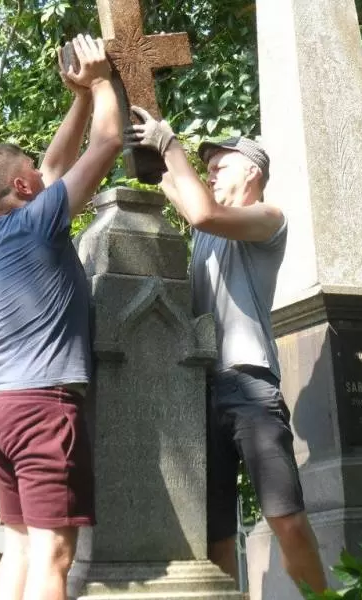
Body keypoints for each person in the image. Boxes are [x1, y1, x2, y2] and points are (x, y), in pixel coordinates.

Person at [124, 108, 327, 594]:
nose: (210, 171)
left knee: (286, 519)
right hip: (200, 390)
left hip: (249, 386)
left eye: (221, 164)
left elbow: (202, 212)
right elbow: (174, 186)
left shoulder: (268, 218)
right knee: (214, 534)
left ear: (252, 171)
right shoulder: (205, 230)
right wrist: (142, 141)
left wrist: (171, 142)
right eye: (207, 167)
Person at [0, 35, 121, 600]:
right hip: (41, 407)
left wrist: (78, 97)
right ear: (21, 186)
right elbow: (108, 141)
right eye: (30, 170)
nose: (42, 169)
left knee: (21, 549)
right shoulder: (39, 221)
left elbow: (54, 167)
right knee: (54, 554)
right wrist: (101, 82)